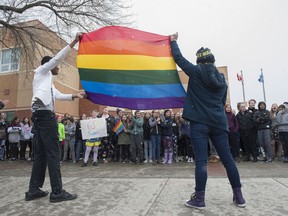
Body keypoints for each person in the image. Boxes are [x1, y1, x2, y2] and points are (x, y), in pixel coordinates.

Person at [170, 32, 245, 209]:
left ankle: (199, 199)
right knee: (228, 161)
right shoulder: (221, 79)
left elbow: (179, 59)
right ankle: (239, 197)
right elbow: (221, 102)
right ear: (212, 60)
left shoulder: (196, 72)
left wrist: (173, 42)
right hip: (219, 123)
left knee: (201, 162)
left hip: (199, 123)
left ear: (199, 61)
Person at [25, 33, 85, 202]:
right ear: (49, 65)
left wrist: (75, 95)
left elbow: (59, 95)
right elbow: (57, 58)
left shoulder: (46, 83)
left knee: (41, 154)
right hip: (44, 115)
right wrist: (74, 42)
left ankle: (33, 190)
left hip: (39, 115)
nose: (58, 68)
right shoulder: (42, 70)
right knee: (53, 152)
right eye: (56, 66)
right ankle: (57, 192)